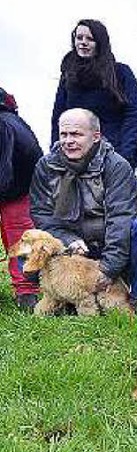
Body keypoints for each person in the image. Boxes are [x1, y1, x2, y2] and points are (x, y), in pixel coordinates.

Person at [29, 109, 137, 303]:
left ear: (96, 136)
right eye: (63, 135)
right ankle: (62, 295)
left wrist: (108, 269)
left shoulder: (116, 166)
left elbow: (120, 221)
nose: (68, 141)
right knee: (27, 249)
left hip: (110, 244)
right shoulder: (46, 166)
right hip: (71, 244)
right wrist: (67, 240)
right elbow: (42, 215)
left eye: (76, 134)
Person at [50, 20, 137, 169]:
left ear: (100, 43)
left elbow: (136, 112)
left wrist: (124, 154)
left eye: (90, 39)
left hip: (113, 155)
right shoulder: (68, 75)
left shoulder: (120, 73)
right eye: (79, 38)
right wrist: (56, 152)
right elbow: (58, 116)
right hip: (75, 159)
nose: (83, 43)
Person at [0, 87, 43, 311]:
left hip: (14, 189)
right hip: (21, 187)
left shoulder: (4, 125)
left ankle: (28, 292)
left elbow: (4, 170)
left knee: (19, 237)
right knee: (20, 237)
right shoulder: (14, 120)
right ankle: (28, 291)